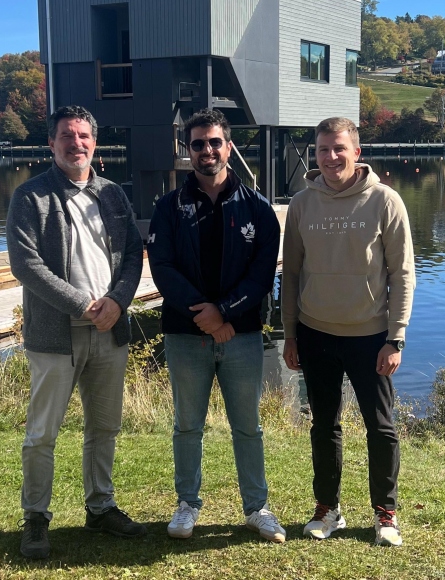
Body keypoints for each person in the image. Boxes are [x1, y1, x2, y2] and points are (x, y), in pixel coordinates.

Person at [7, 105, 146, 559]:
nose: (76, 143)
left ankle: (100, 506)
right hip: (56, 334)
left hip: (109, 330)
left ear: (94, 142)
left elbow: (132, 256)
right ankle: (36, 517)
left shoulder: (113, 195)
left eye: (84, 136)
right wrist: (83, 305)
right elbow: (26, 265)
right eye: (67, 136)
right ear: (51, 143)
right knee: (42, 433)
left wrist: (118, 301)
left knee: (103, 426)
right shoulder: (31, 197)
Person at [147, 108, 285, 543]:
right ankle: (187, 504)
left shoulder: (258, 209)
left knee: (248, 426)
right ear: (188, 151)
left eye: (214, 142)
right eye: (197, 144)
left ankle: (257, 507)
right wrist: (205, 316)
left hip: (241, 335)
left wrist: (224, 312)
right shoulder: (169, 207)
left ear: (229, 146)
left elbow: (263, 275)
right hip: (185, 334)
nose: (206, 150)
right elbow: (163, 268)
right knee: (188, 424)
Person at [282, 116, 416, 547]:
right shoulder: (302, 203)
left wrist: (395, 337)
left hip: (370, 337)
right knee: (323, 425)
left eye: (339, 148)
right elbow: (292, 274)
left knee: (381, 428)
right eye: (323, 149)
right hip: (315, 333)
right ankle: (328, 508)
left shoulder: (386, 201)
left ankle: (386, 514)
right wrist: (289, 334)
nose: (331, 157)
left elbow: (403, 273)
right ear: (315, 154)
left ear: (357, 152)